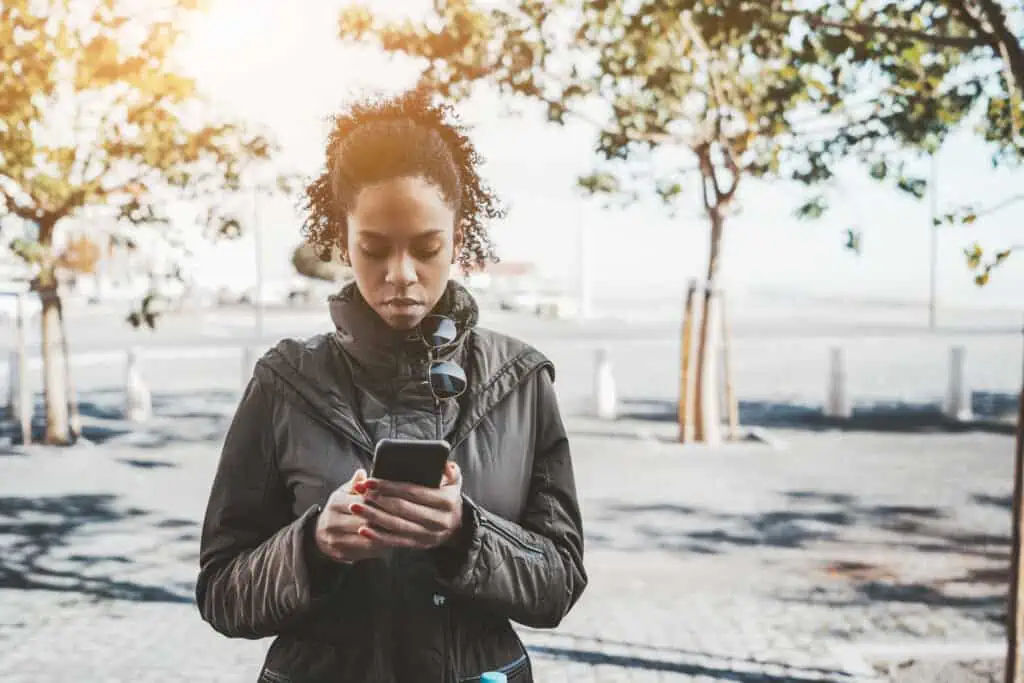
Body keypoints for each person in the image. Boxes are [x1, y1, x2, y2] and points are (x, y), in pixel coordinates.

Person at [195, 87, 587, 683]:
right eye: (373, 248)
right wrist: (312, 545)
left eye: (427, 248)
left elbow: (558, 583)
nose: (400, 274)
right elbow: (222, 591)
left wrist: (465, 535)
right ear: (342, 238)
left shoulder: (521, 381)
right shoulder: (284, 382)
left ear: (459, 238)